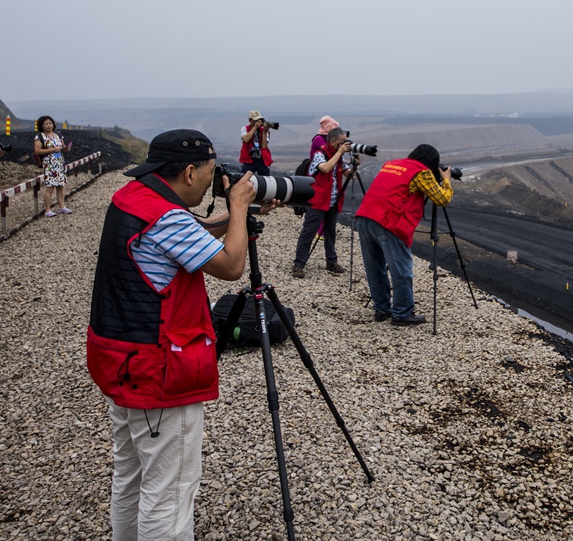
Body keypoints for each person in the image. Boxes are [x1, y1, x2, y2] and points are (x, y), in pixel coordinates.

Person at [87, 129, 262, 540]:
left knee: (131, 477)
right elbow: (232, 265)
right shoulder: (165, 217)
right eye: (207, 172)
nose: (209, 179)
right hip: (159, 373)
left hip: (121, 362)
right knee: (170, 492)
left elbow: (188, 234)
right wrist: (237, 207)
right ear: (188, 171)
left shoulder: (133, 198)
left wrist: (242, 215)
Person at [355, 144, 453, 326]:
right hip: (389, 222)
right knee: (401, 270)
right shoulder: (422, 172)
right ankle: (402, 313)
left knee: (375, 268)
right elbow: (442, 199)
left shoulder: (392, 164)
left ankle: (382, 309)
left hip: (365, 217)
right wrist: (446, 179)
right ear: (431, 163)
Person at [292, 126, 352, 278]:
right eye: (342, 141)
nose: (345, 144)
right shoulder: (320, 154)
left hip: (333, 201)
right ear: (333, 141)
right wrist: (339, 154)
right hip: (318, 200)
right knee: (309, 231)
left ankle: (331, 262)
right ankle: (298, 264)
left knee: (331, 232)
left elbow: (348, 174)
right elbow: (325, 168)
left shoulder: (339, 156)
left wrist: (355, 165)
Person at [34, 115, 71, 217]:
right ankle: (47, 209)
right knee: (50, 188)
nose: (49, 125)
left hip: (59, 163)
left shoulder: (58, 134)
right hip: (49, 164)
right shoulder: (40, 137)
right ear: (42, 126)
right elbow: (37, 151)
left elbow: (62, 147)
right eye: (46, 124)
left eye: (50, 123)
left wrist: (66, 149)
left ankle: (62, 206)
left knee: (61, 186)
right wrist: (52, 150)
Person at [239, 110, 273, 176]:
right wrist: (254, 127)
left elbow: (264, 146)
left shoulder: (264, 130)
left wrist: (264, 132)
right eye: (255, 120)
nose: (258, 122)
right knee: (243, 177)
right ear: (250, 120)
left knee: (265, 179)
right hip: (249, 158)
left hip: (262, 159)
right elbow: (246, 139)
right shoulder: (245, 129)